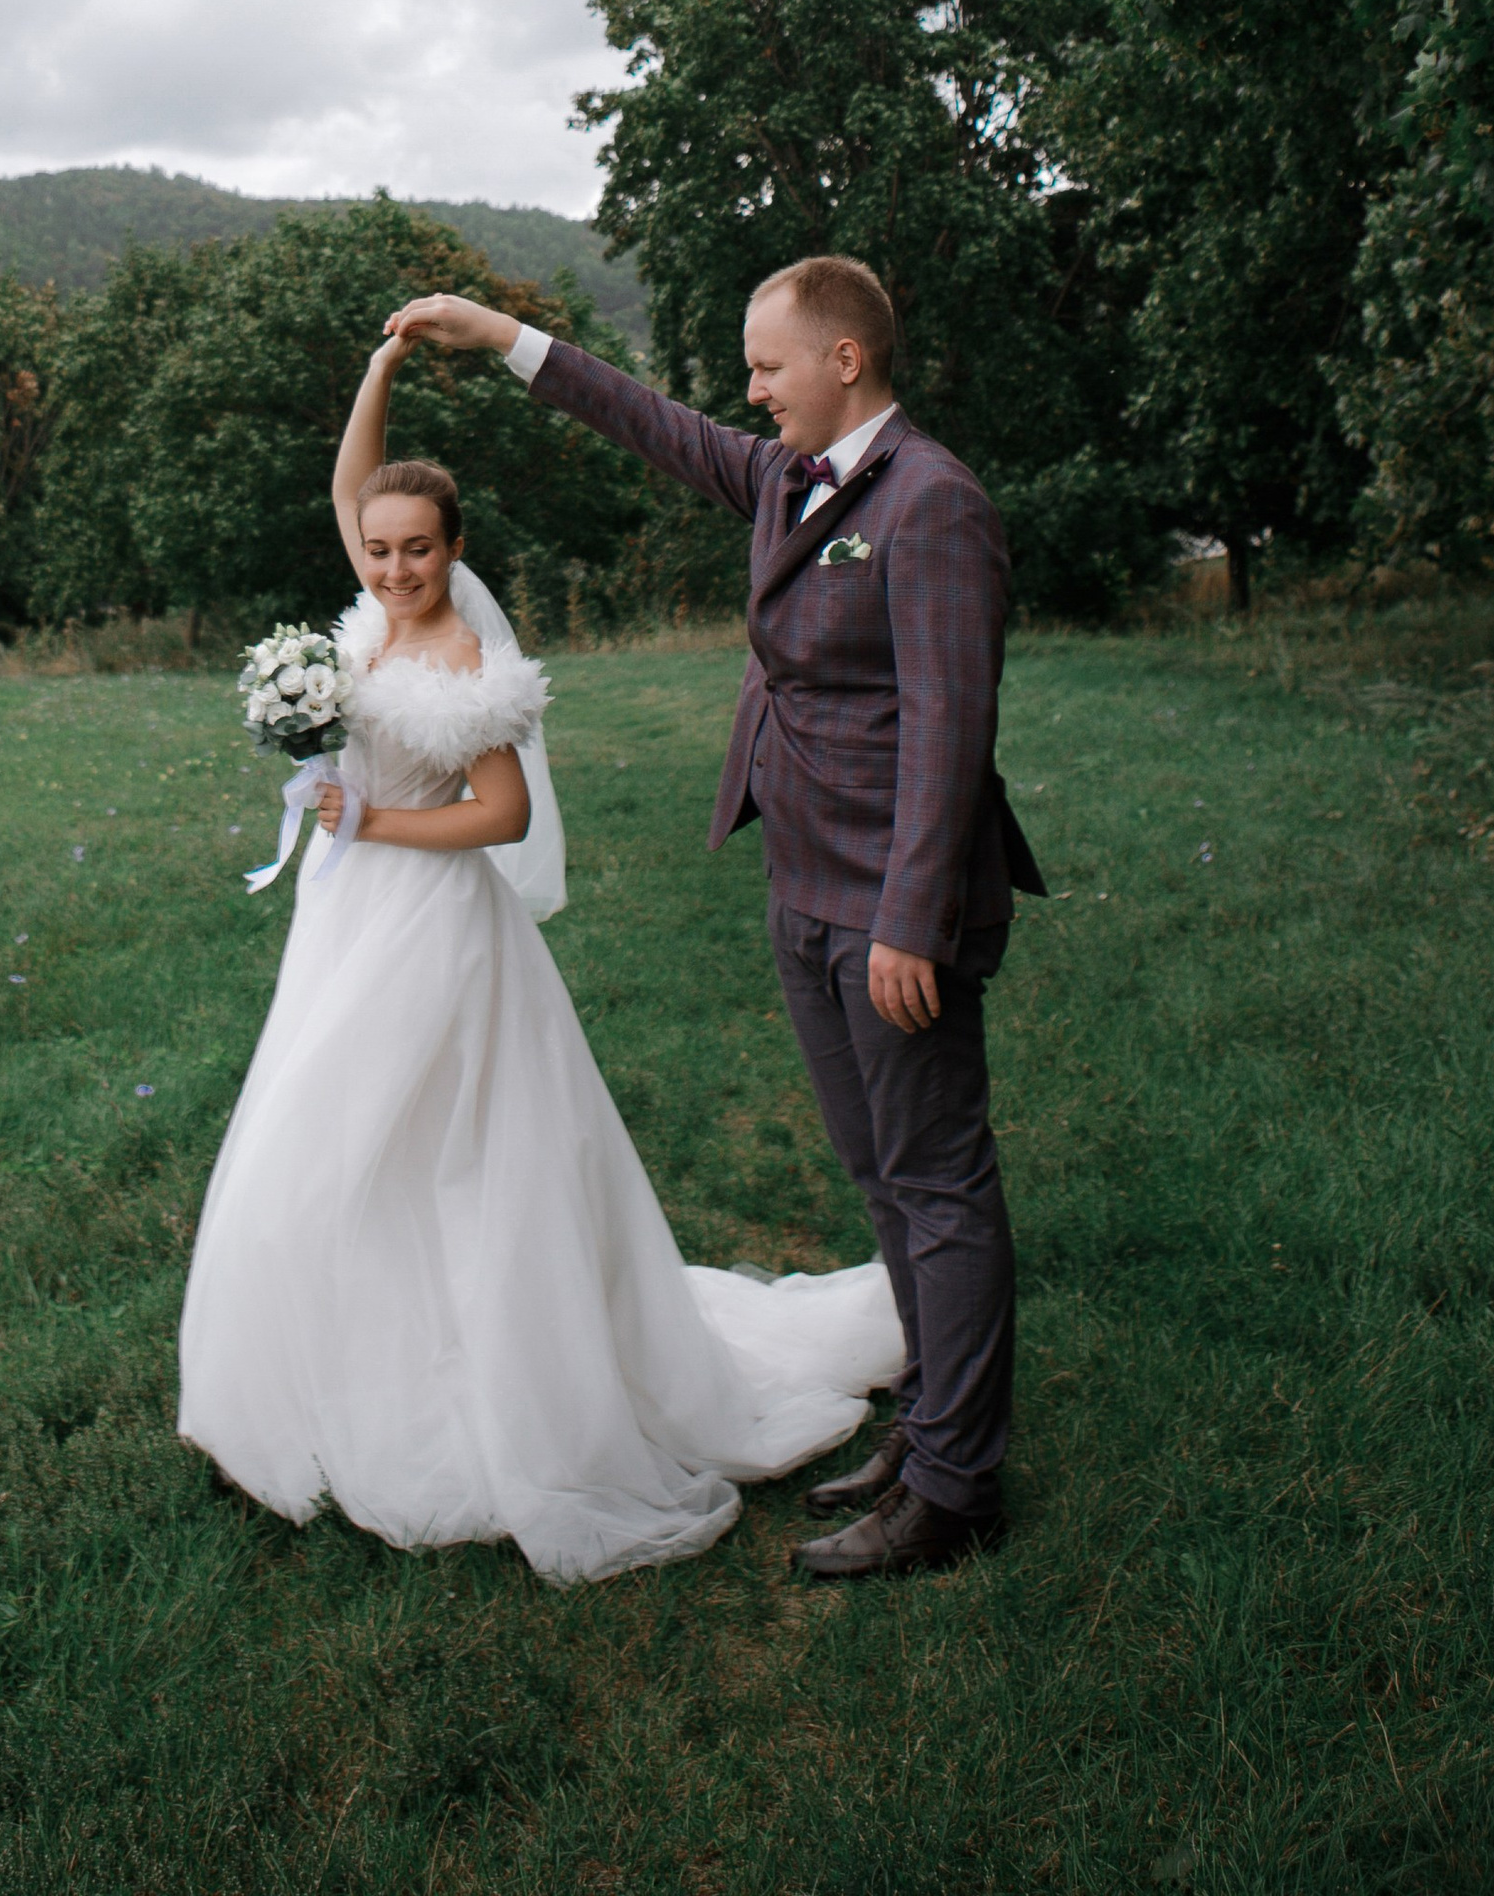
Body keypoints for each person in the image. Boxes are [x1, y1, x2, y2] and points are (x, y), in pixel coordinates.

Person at [175, 326, 906, 1584]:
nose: (394, 564)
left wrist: (377, 819)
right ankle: (346, 1370)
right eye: (380, 548)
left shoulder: (469, 657)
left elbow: (501, 818)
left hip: (433, 924)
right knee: (335, 1137)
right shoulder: (365, 611)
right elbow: (349, 485)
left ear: (454, 554)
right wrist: (380, 367)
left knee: (438, 1152)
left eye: (416, 549)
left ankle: (494, 1393)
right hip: (345, 918)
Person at [387, 259, 1042, 1579]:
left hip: (890, 910)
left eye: (768, 365)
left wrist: (911, 921)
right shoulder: (787, 478)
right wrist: (498, 335)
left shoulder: (932, 504)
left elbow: (952, 731)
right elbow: (648, 420)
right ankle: (929, 1429)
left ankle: (962, 1486)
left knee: (937, 1179)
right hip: (801, 883)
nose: (748, 390)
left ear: (844, 361)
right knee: (878, 1175)